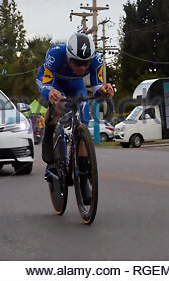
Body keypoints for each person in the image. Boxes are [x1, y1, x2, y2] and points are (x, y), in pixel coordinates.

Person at [36, 32, 114, 203]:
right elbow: (46, 86)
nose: (82, 68)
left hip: (75, 85)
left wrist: (104, 90)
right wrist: (50, 92)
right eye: (78, 63)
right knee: (60, 103)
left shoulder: (97, 61)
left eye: (86, 63)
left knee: (83, 119)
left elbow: (97, 89)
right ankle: (48, 138)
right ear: (68, 56)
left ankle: (84, 177)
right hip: (53, 82)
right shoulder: (55, 54)